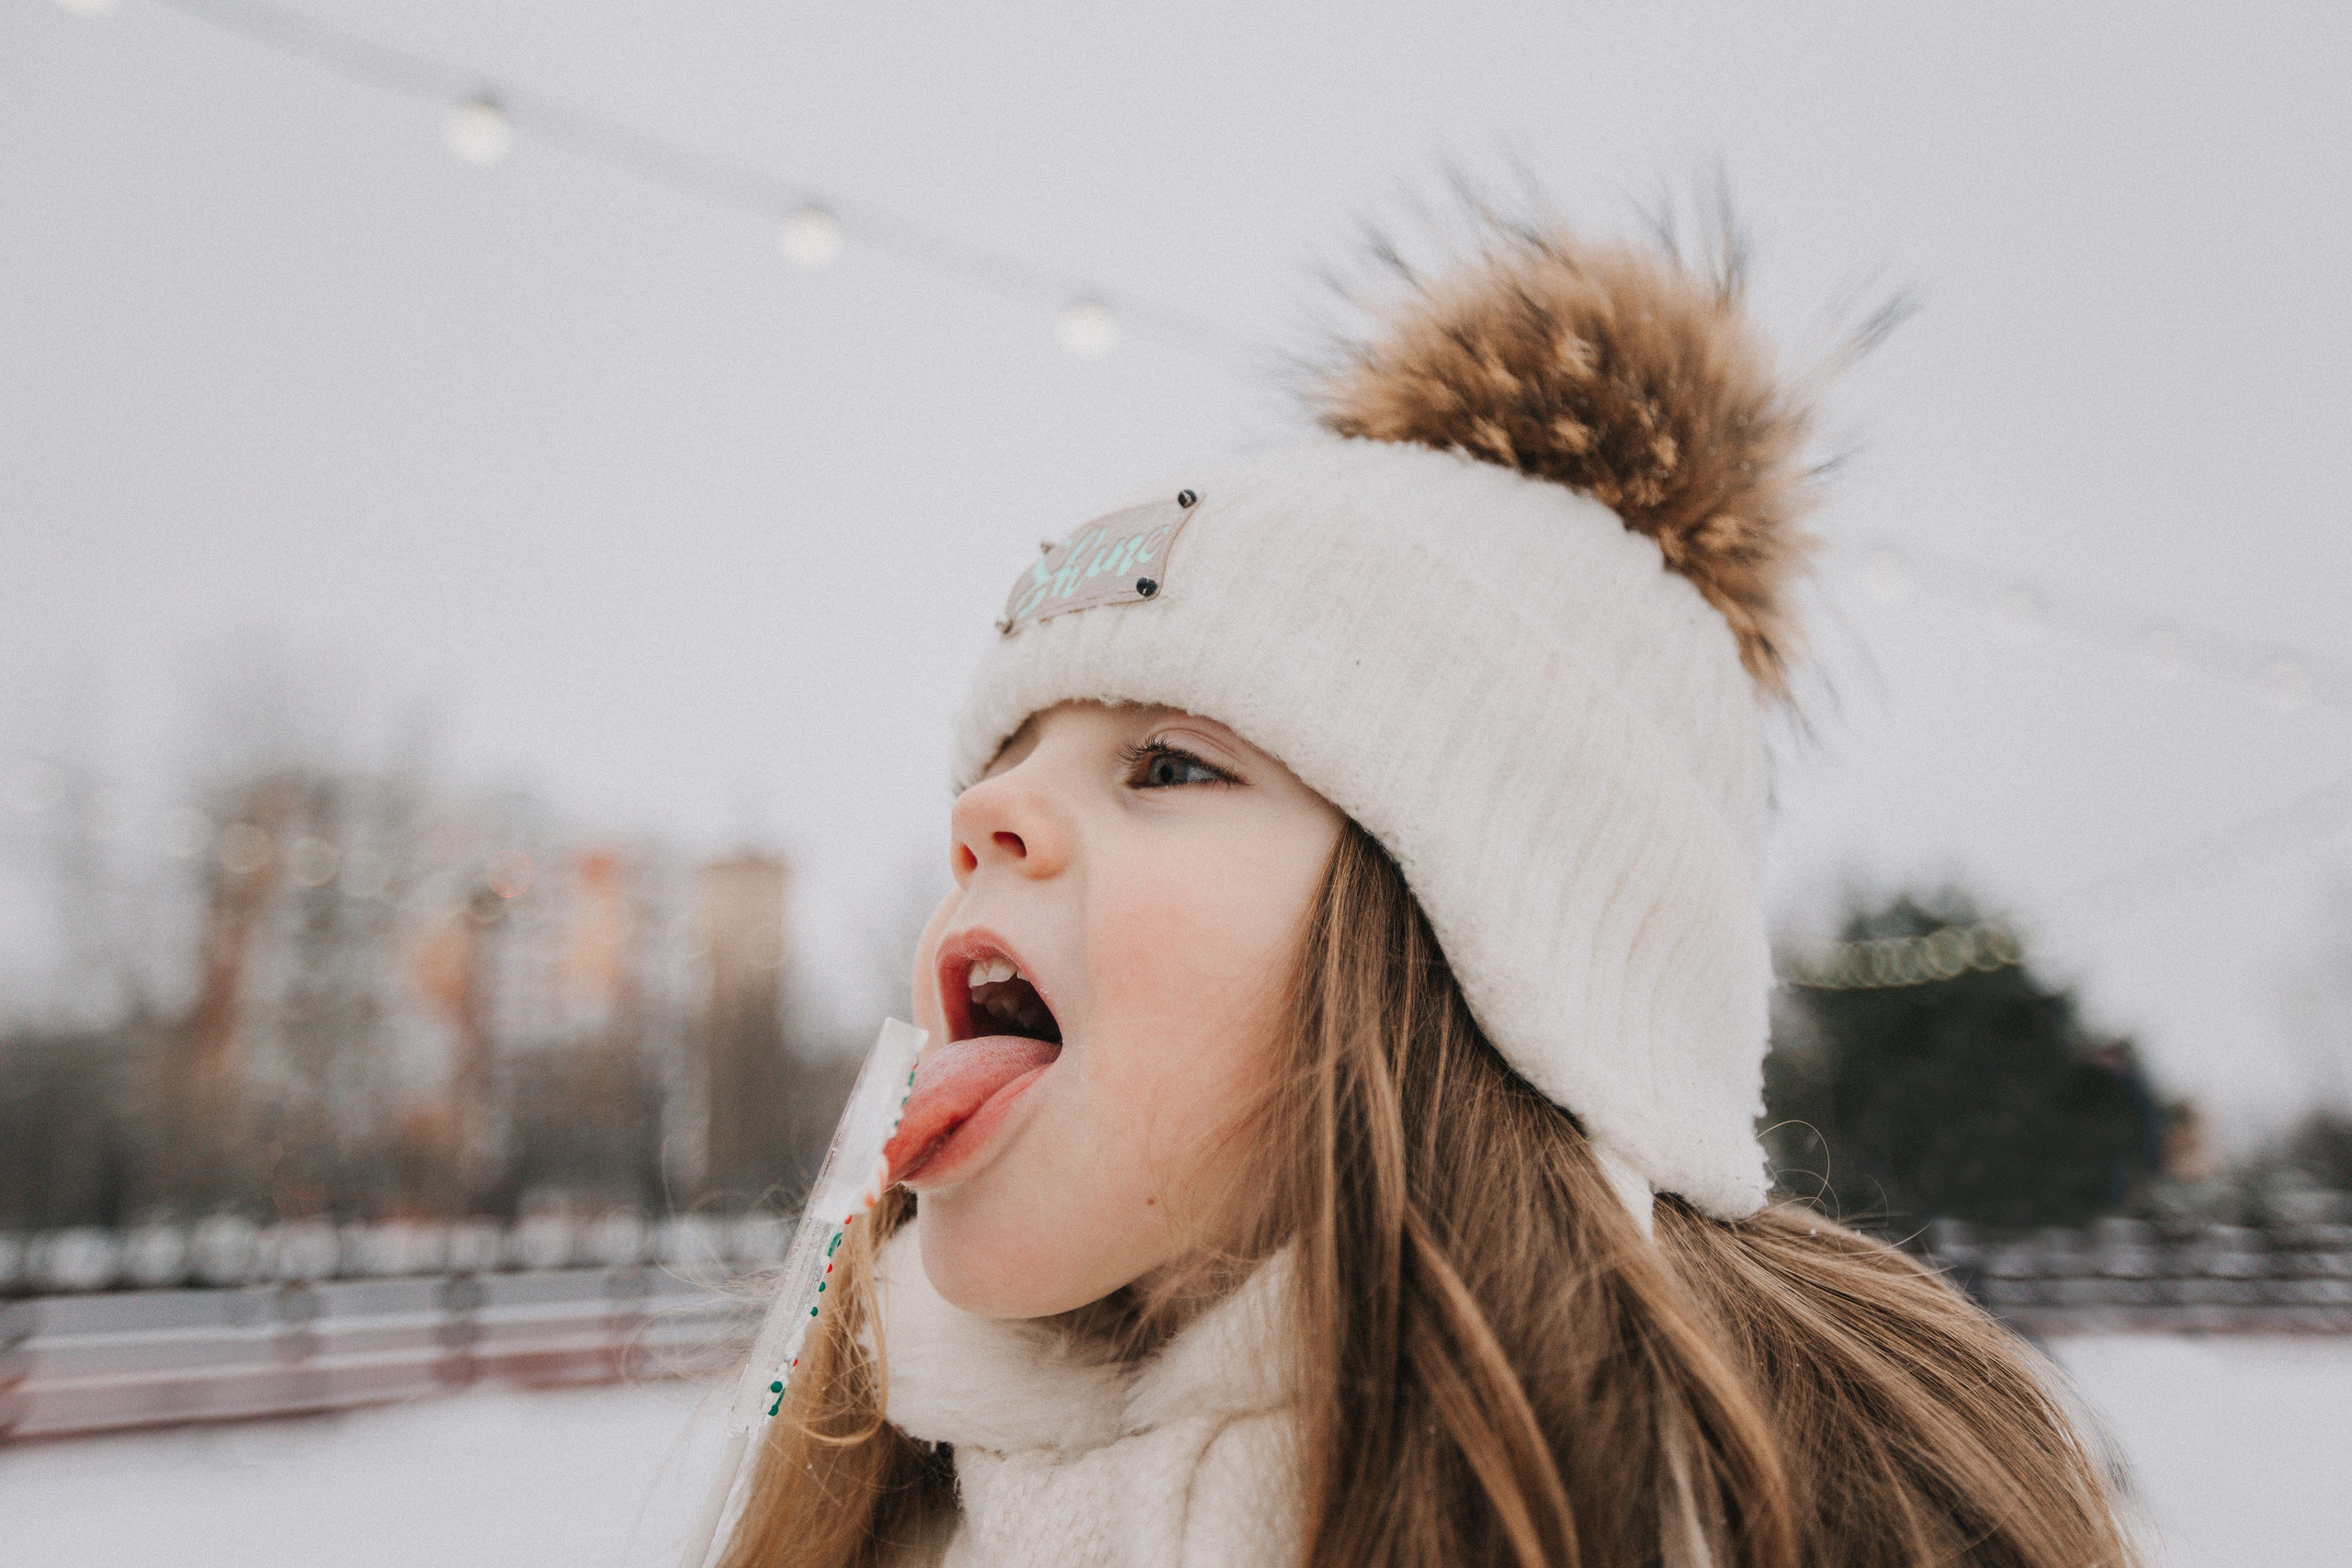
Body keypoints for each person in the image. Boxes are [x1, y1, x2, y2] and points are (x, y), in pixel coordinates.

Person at [714, 220, 2139, 1568]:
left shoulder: (1801, 1520)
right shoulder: (861, 1512)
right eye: (1004, 759)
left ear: (1502, 957)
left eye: (1167, 765)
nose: (981, 816)